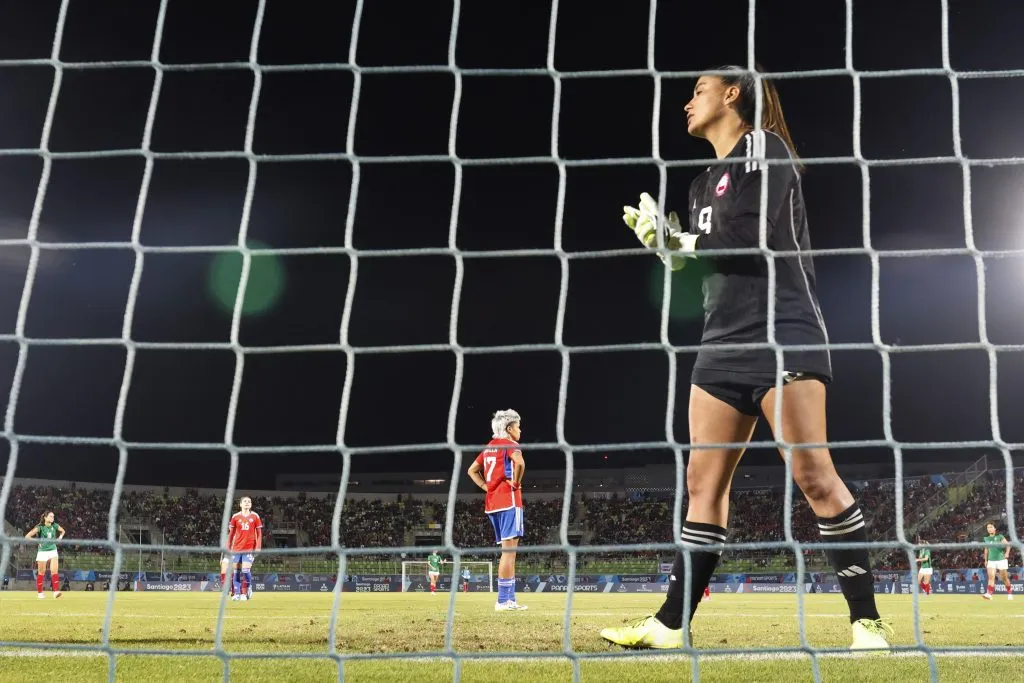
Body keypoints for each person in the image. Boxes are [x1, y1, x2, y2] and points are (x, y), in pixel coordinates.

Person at [602, 66, 891, 651]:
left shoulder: (764, 147)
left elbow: (754, 232)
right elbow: (710, 262)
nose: (687, 102)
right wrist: (671, 253)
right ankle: (669, 625)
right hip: (721, 343)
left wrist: (681, 244)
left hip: (782, 332)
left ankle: (867, 621)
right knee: (701, 482)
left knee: (813, 475)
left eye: (698, 90)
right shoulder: (700, 183)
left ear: (732, 94)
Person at [467, 409, 527, 611]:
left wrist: (486, 487)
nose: (520, 430)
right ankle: (503, 600)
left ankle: (509, 599)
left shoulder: (489, 447)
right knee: (509, 554)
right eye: (518, 426)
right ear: (509, 429)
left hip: (492, 504)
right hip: (509, 501)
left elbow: (471, 471)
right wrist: (516, 483)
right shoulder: (510, 444)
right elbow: (519, 462)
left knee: (507, 552)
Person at [227, 496, 262, 601]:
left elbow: (259, 534)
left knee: (245, 570)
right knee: (236, 571)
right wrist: (228, 547)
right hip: (236, 548)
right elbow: (231, 534)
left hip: (249, 548)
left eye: (249, 501)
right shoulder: (235, 517)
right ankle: (237, 593)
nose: (247, 503)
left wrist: (258, 547)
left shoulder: (255, 516)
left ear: (251, 505)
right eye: (245, 501)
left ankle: (248, 589)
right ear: (240, 504)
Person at [25, 511, 64, 599]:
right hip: (42, 552)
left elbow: (63, 531)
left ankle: (56, 591)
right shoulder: (40, 527)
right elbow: (27, 537)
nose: (52, 518)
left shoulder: (55, 526)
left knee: (54, 571)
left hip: (53, 550)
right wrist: (37, 541)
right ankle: (40, 593)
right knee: (41, 573)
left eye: (53, 516)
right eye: (50, 516)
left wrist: (60, 538)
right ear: (45, 518)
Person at [982, 522, 1012, 600]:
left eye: (991, 527)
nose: (989, 529)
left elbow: (1008, 545)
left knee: (1004, 578)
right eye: (988, 527)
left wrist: (1007, 553)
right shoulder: (986, 538)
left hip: (1001, 560)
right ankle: (989, 594)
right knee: (991, 578)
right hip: (991, 560)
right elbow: (986, 550)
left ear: (995, 528)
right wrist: (985, 560)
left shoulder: (1000, 537)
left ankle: (1009, 592)